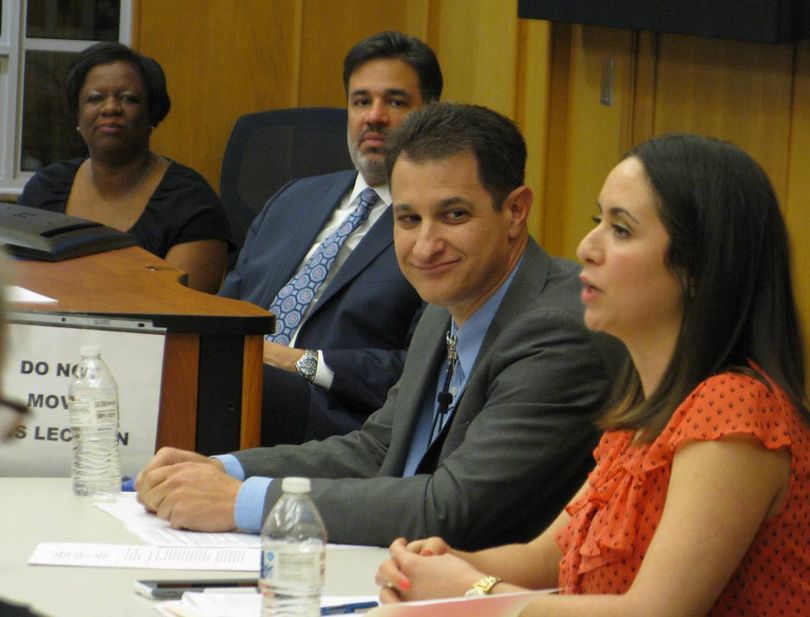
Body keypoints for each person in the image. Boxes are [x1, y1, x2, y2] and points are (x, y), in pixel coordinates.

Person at [135, 102, 624, 550]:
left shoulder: (559, 328)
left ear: (515, 210)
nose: (426, 246)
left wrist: (238, 502)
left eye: (453, 215)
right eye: (408, 219)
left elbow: (452, 509)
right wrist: (223, 467)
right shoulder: (445, 301)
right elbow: (378, 448)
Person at [375, 134, 810, 615]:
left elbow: (653, 613)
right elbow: (547, 556)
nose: (586, 247)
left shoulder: (734, 409)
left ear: (697, 266)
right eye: (596, 221)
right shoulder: (647, 406)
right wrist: (446, 563)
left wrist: (474, 594)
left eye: (621, 230)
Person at [219, 31, 437, 444]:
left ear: (430, 114)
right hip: (236, 392)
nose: (374, 116)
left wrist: (297, 362)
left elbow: (423, 369)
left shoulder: (436, 229)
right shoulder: (293, 198)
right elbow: (227, 310)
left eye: (395, 101)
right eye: (361, 101)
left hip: (335, 422)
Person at [18, 42, 232, 294]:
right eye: (95, 98)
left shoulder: (192, 203)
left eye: (128, 99)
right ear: (77, 114)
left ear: (153, 113)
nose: (110, 108)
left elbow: (180, 312)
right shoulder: (45, 189)